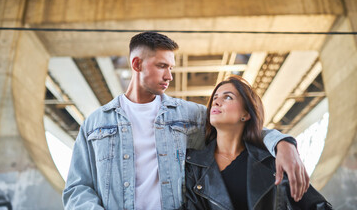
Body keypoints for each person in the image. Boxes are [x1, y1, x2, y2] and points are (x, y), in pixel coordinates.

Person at [63, 32, 309, 210]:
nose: (169, 76)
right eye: (162, 66)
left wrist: (283, 144)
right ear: (136, 64)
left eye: (171, 67)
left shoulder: (187, 115)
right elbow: (77, 188)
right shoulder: (95, 124)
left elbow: (239, 127)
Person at [183, 75, 332, 210]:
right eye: (215, 97)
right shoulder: (193, 166)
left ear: (246, 114)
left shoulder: (271, 162)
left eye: (227, 97)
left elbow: (316, 205)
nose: (216, 102)